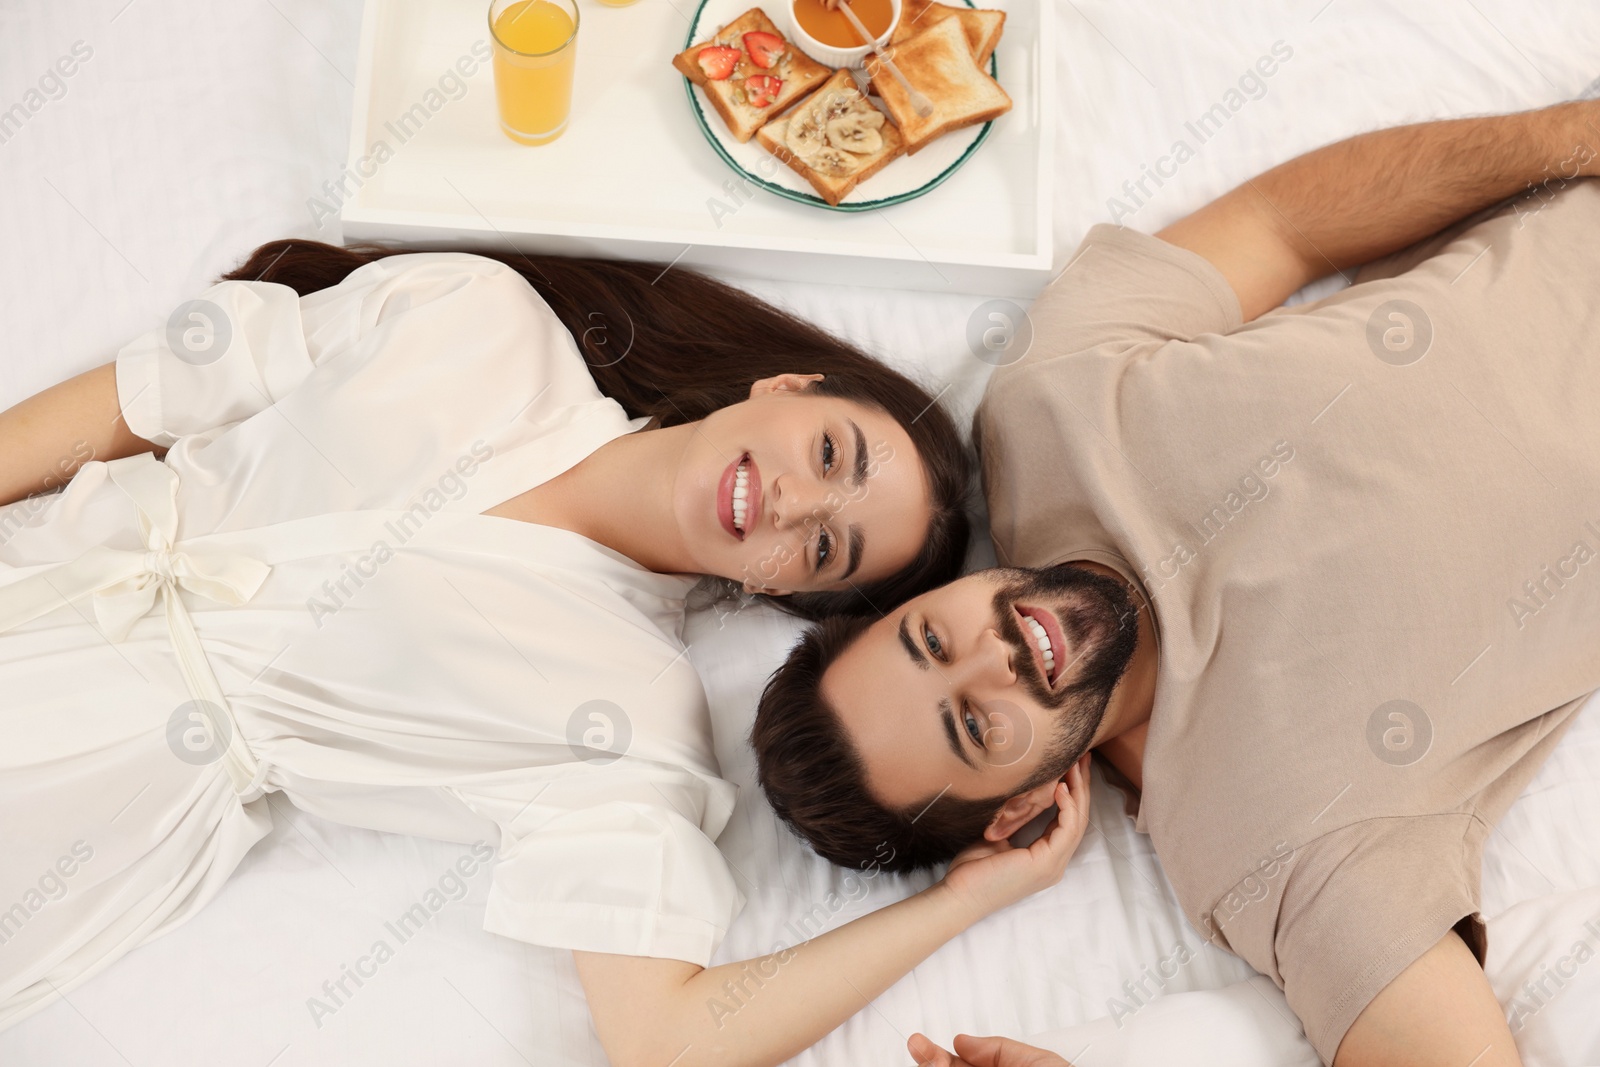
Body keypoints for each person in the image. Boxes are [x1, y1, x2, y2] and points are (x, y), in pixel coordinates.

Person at [0, 237, 1061, 1067]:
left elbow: (666, 1040)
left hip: (91, 786)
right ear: (783, 388)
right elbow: (143, 399)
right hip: (39, 559)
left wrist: (960, 898)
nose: (791, 501)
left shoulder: (631, 713)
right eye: (830, 452)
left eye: (823, 546)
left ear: (781, 592)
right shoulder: (478, 316)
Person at [753, 97, 1600, 1067]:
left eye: (931, 641)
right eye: (974, 724)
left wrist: (1576, 137)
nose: (997, 652)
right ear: (1019, 809)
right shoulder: (1270, 846)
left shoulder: (1045, 398)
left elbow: (1282, 223)